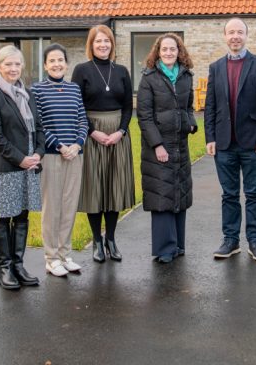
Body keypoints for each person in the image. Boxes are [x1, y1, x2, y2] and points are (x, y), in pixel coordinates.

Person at [204, 18, 256, 261]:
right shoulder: (215, 67)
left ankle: (255, 241)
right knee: (229, 194)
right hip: (224, 143)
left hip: (253, 143)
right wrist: (210, 137)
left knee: (254, 193)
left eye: (240, 32)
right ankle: (230, 240)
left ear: (246, 35)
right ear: (225, 36)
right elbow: (210, 105)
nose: (235, 36)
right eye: (231, 32)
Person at [0, 45, 45, 290]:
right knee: (3, 215)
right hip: (6, 165)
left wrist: (38, 153)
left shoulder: (28, 94)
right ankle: (5, 268)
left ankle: (19, 264)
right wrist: (21, 159)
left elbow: (38, 129)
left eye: (17, 64)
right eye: (8, 64)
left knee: (22, 214)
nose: (14, 68)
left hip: (29, 164)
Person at [70, 25, 135, 263]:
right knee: (95, 187)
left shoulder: (121, 71)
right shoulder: (81, 70)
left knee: (114, 186)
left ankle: (111, 239)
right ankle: (97, 240)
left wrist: (121, 131)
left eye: (106, 41)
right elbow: (76, 106)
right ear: (91, 45)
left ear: (112, 44)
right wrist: (92, 132)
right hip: (91, 133)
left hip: (117, 134)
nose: (103, 45)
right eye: (98, 42)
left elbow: (128, 106)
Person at [136, 33, 198, 264]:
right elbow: (144, 116)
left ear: (179, 51)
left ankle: (178, 245)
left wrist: (191, 123)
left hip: (180, 145)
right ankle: (164, 248)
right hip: (158, 147)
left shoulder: (186, 77)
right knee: (162, 195)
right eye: (165, 49)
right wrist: (157, 145)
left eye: (173, 49)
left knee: (179, 194)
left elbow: (189, 106)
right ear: (158, 52)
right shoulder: (149, 78)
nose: (169, 53)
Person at [32, 43, 88, 278]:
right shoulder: (36, 90)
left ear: (67, 64)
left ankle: (65, 255)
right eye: (52, 61)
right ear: (45, 65)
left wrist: (77, 144)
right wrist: (61, 146)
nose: (57, 64)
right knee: (52, 207)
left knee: (68, 207)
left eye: (60, 60)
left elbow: (83, 120)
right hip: (53, 157)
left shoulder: (74, 89)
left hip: (75, 156)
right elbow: (40, 125)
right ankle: (51, 257)